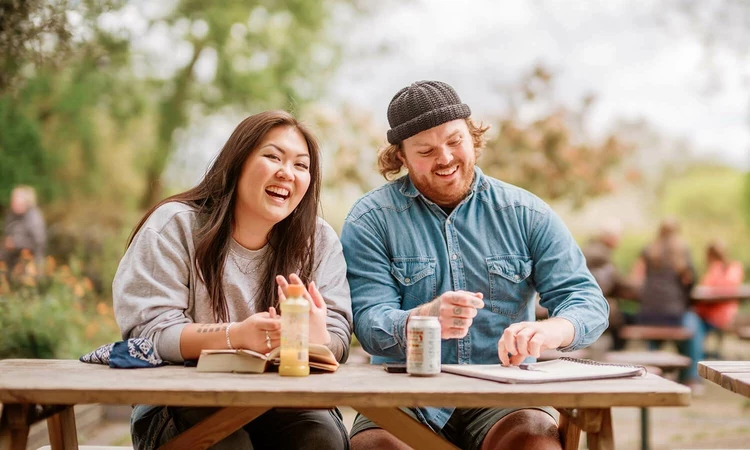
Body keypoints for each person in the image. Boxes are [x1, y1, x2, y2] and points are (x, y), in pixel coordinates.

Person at [340, 80, 609, 450]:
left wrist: (550, 332)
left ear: (472, 135)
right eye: (426, 150)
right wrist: (424, 318)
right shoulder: (370, 219)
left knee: (535, 443)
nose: (446, 158)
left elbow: (587, 301)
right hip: (403, 396)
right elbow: (368, 323)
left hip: (506, 396)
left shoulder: (526, 213)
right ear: (400, 156)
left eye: (454, 141)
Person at [113, 110, 353, 450]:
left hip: (286, 402)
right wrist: (236, 336)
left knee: (320, 438)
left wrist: (320, 339)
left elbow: (339, 335)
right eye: (272, 157)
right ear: (237, 162)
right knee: (228, 444)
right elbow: (148, 333)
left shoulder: (319, 239)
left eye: (301, 165)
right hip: (182, 401)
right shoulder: (174, 226)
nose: (287, 173)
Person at [630, 217, 703, 388]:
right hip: (673, 314)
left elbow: (637, 278)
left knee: (657, 334)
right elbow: (691, 280)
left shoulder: (648, 249)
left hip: (647, 314)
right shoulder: (682, 250)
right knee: (694, 327)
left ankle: (653, 374)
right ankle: (690, 377)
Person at [582, 222, 639, 350]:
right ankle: (614, 357)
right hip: (596, 304)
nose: (619, 240)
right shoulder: (601, 255)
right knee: (627, 319)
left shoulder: (588, 249)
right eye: (618, 237)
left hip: (585, 303)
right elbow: (616, 282)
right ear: (609, 237)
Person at [693, 239, 744, 331]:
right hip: (730, 314)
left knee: (691, 320)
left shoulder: (716, 269)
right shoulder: (736, 268)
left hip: (715, 317)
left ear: (710, 256)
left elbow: (705, 290)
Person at [1, 185, 46, 272]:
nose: (13, 203)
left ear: (27, 202)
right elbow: (6, 236)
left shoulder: (34, 217)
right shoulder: (11, 215)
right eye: (13, 200)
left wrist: (16, 243)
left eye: (17, 201)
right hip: (11, 258)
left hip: (30, 261)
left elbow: (39, 242)